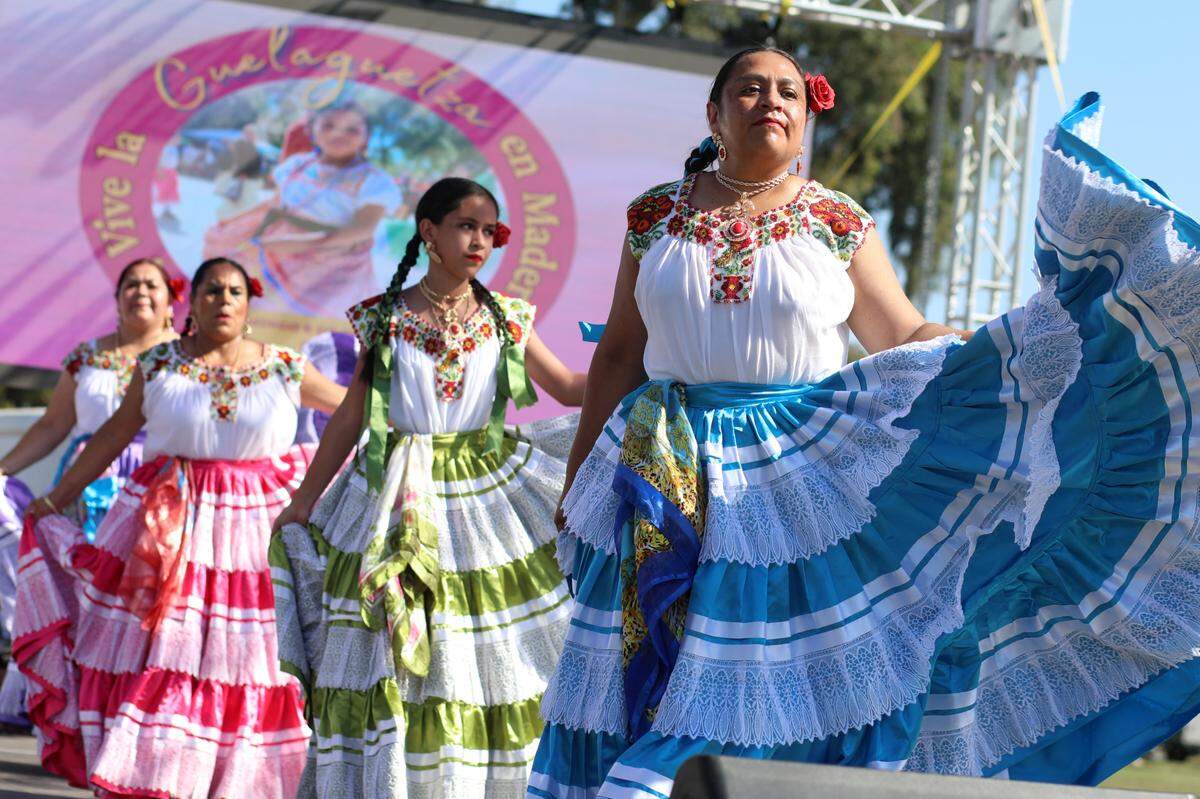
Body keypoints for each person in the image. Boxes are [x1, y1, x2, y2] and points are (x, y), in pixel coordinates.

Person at [528, 48, 1200, 797]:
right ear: (714, 114)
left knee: (764, 669)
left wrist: (995, 350)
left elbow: (902, 332)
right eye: (749, 89)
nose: (770, 100)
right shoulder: (654, 217)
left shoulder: (836, 219)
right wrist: (579, 473)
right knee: (656, 660)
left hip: (791, 479)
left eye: (788, 91)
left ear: (808, 117)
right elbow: (620, 356)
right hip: (664, 467)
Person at [269, 177, 585, 798]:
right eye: (466, 225)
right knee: (388, 645)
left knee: (476, 657)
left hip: (482, 500)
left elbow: (572, 390)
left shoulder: (509, 318)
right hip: (389, 494)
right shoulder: (384, 317)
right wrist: (302, 500)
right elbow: (353, 415)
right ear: (429, 233)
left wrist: (648, 358)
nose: (479, 240)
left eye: (489, 230)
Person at [16, 257, 347, 797]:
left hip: (255, 534)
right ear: (189, 304)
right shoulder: (159, 363)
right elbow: (111, 438)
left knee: (253, 661)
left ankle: (244, 782)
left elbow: (352, 415)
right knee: (164, 655)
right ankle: (166, 775)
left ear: (248, 304)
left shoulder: (283, 365)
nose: (223, 300)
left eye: (234, 291)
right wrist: (57, 497)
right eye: (212, 290)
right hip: (166, 529)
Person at [0, 258, 180, 728]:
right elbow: (52, 425)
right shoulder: (86, 356)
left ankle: (136, 709)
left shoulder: (186, 355)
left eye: (152, 285)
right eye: (131, 284)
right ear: (118, 299)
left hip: (156, 488)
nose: (141, 291)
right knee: (81, 592)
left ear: (170, 302)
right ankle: (78, 711)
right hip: (86, 484)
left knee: (147, 601)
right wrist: (3, 469)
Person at [203, 102, 402, 318]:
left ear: (366, 137)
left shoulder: (373, 180)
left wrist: (308, 245)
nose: (338, 134)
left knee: (308, 321)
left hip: (332, 257)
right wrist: (236, 221)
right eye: (328, 125)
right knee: (258, 308)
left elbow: (362, 228)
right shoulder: (298, 164)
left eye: (352, 129)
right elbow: (275, 203)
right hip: (279, 242)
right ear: (312, 130)